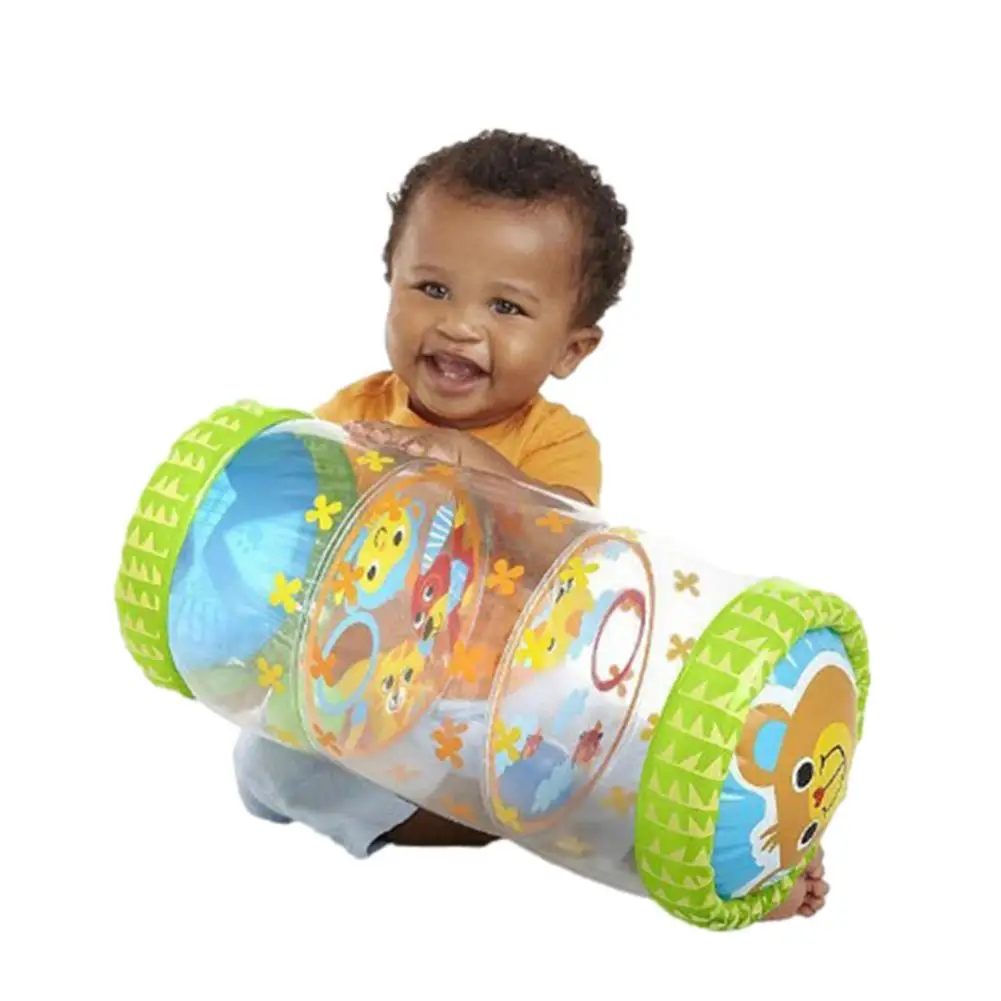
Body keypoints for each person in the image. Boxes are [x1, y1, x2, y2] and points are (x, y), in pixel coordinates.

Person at [233, 129, 828, 920]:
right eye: (431, 288)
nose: (458, 325)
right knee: (261, 773)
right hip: (374, 689)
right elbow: (305, 546)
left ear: (570, 349)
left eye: (505, 306)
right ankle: (469, 817)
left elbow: (557, 539)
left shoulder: (555, 441)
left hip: (502, 697)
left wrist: (462, 461)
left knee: (613, 747)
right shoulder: (352, 414)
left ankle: (727, 847)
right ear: (389, 280)